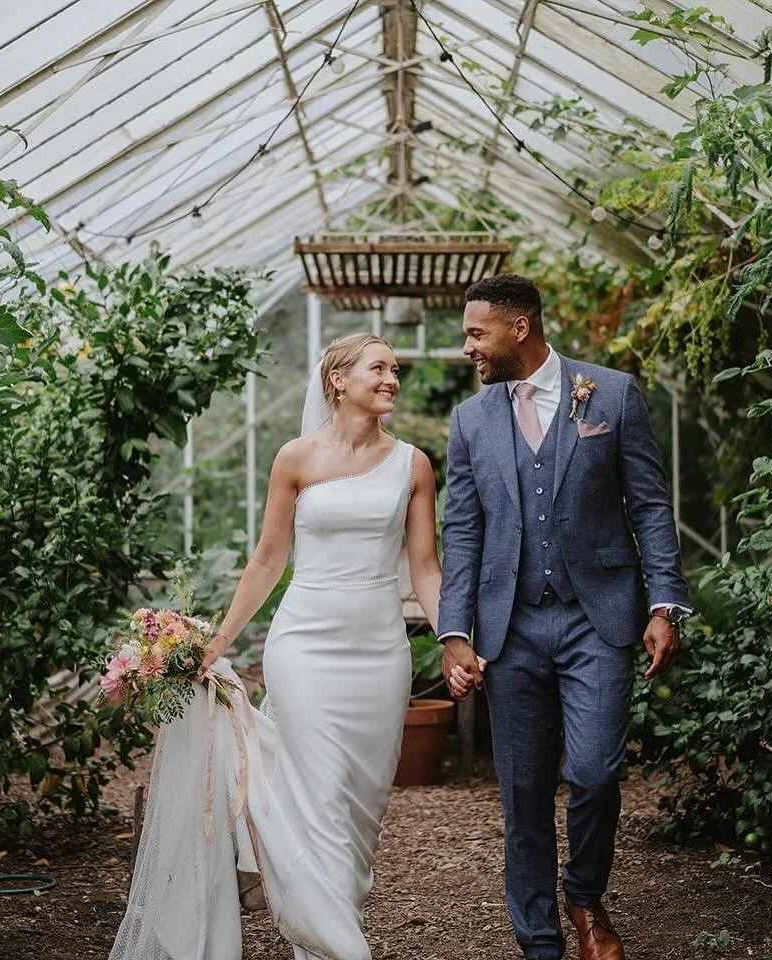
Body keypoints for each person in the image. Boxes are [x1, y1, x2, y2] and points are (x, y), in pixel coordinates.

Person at [109, 333, 450, 960]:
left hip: (380, 655)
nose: (392, 380)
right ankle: (346, 950)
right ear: (337, 380)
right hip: (304, 650)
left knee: (358, 812)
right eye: (379, 368)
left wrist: (454, 640)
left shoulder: (415, 465)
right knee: (316, 797)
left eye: (395, 370)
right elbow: (268, 561)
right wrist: (217, 643)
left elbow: (425, 568)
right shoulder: (295, 459)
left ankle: (317, 941)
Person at [437, 274, 690, 960]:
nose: (469, 349)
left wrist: (664, 602)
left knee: (598, 771)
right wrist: (454, 630)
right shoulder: (470, 420)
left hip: (597, 618)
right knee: (522, 790)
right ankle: (539, 941)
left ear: (520, 328)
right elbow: (462, 530)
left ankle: (583, 892)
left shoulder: (610, 392)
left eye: (477, 334)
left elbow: (648, 506)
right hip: (509, 626)